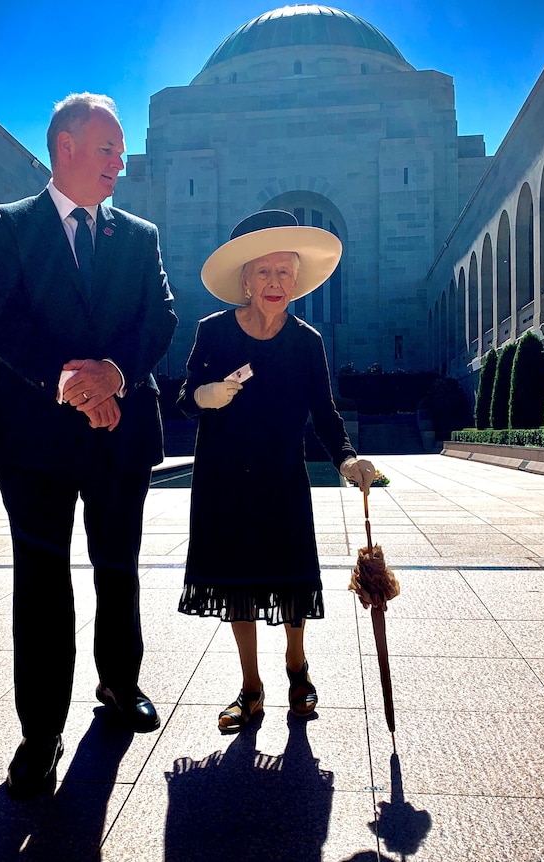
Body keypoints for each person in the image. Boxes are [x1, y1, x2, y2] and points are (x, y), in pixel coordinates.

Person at [0, 92, 177, 797]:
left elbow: (162, 316)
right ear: (65, 146)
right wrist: (73, 383)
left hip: (122, 429)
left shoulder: (141, 235)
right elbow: (0, 318)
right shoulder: (7, 226)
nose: (120, 163)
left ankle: (118, 687)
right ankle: (40, 734)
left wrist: (115, 377)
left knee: (117, 564)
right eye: (107, 149)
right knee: (41, 580)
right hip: (33, 431)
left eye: (120, 152)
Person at [176, 210, 375, 732]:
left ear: (297, 280)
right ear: (244, 280)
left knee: (290, 583)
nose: (274, 283)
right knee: (236, 584)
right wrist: (205, 395)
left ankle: (296, 667)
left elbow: (325, 413)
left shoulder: (307, 342)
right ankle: (250, 688)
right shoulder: (212, 334)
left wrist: (348, 458)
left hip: (282, 479)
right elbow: (181, 397)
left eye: (284, 273)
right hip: (222, 480)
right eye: (263, 273)